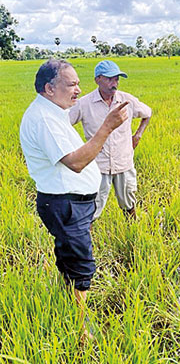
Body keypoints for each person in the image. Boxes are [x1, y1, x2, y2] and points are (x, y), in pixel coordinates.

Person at [19, 59, 131, 340]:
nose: (78, 90)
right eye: (71, 84)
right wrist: (107, 127)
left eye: (79, 83)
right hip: (65, 202)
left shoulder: (53, 111)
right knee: (81, 264)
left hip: (70, 202)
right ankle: (81, 328)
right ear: (48, 88)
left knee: (69, 259)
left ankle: (69, 305)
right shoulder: (44, 119)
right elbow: (76, 162)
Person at [69, 60, 153, 220]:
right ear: (97, 80)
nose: (114, 83)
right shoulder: (84, 104)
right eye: (110, 79)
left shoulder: (127, 101)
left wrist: (138, 135)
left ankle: (133, 234)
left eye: (117, 79)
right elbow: (64, 124)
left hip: (124, 163)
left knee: (129, 204)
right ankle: (87, 243)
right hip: (97, 167)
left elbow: (147, 114)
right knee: (92, 211)